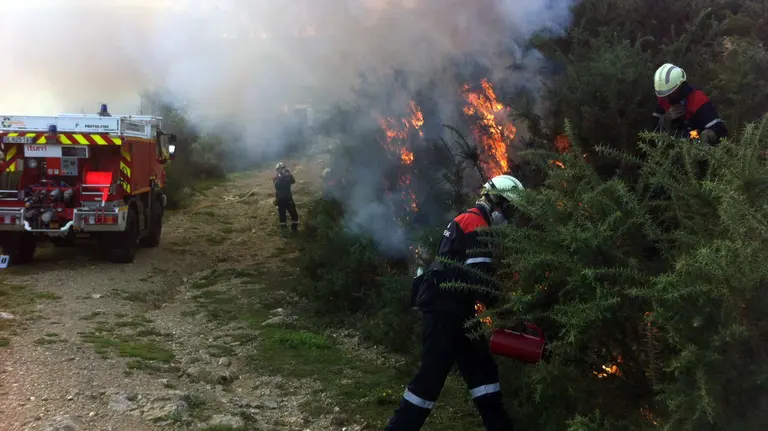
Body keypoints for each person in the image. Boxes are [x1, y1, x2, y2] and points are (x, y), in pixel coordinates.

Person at [385, 174, 523, 431]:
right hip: (444, 311)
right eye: (509, 209)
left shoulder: (470, 219)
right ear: (496, 201)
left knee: (483, 372)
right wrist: (509, 313)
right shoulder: (476, 224)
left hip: (458, 311)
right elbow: (480, 281)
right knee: (430, 379)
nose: (509, 216)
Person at [652, 63, 728, 145]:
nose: (665, 98)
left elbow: (720, 130)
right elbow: (652, 131)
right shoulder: (662, 99)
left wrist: (707, 135)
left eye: (669, 93)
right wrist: (666, 119)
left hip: (697, 146)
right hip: (673, 146)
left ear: (680, 86)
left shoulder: (698, 100)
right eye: (662, 94)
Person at [273, 162, 298, 232]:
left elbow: (293, 181)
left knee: (294, 214)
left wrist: (289, 174)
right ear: (277, 170)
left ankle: (294, 228)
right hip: (280, 200)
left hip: (288, 198)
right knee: (282, 215)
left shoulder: (288, 176)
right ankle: (284, 230)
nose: (282, 169)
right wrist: (284, 176)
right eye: (280, 168)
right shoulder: (276, 178)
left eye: (283, 168)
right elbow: (278, 185)